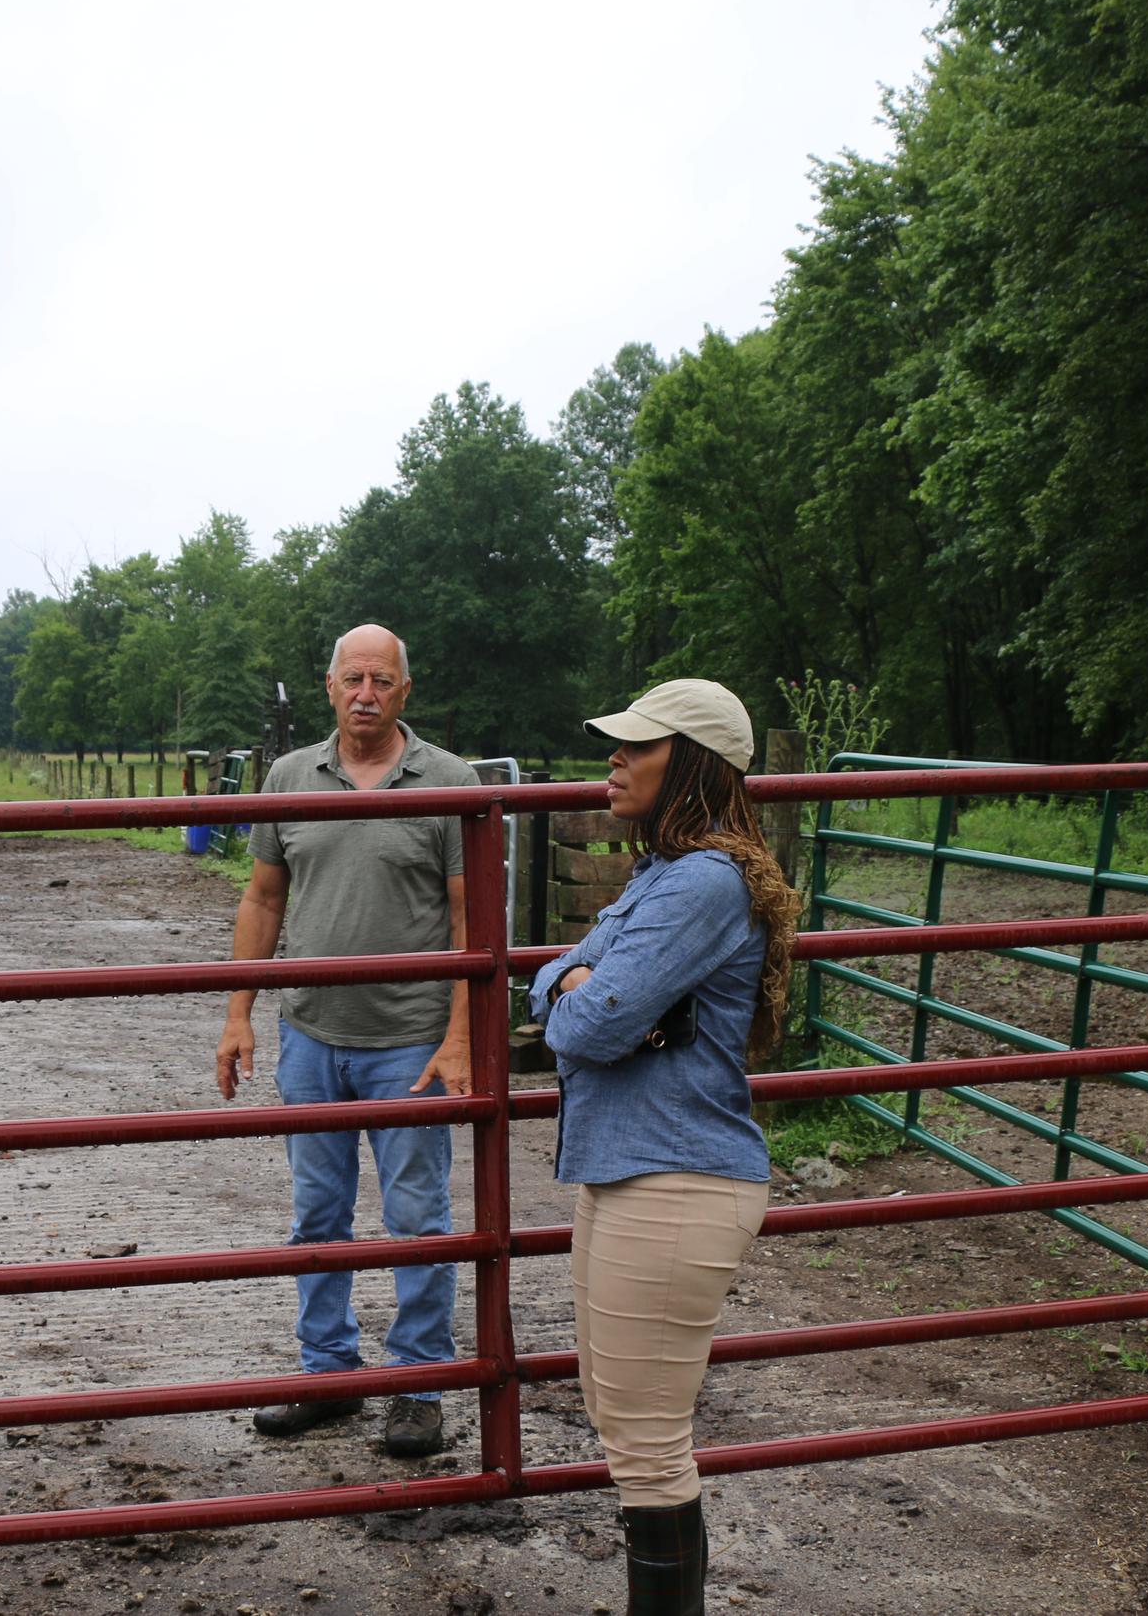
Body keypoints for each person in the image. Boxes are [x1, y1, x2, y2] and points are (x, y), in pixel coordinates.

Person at [526, 678, 801, 1616]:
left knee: (643, 1436)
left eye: (635, 745)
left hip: (675, 1179)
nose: (613, 756)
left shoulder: (699, 882)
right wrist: (579, 987)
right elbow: (552, 984)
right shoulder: (665, 873)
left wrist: (583, 991)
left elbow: (583, 1023)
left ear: (689, 763)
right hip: (632, 1170)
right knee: (619, 1416)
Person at [214, 623, 477, 1457]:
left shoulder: (448, 780)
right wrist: (236, 1011)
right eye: (352, 676)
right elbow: (261, 900)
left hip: (411, 1040)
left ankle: (417, 1388)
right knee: (316, 1214)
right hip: (312, 1035)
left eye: (382, 679)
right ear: (328, 686)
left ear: (405, 691)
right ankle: (327, 1374)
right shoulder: (289, 778)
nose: (366, 691)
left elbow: (474, 920)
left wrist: (462, 1036)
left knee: (417, 1218)